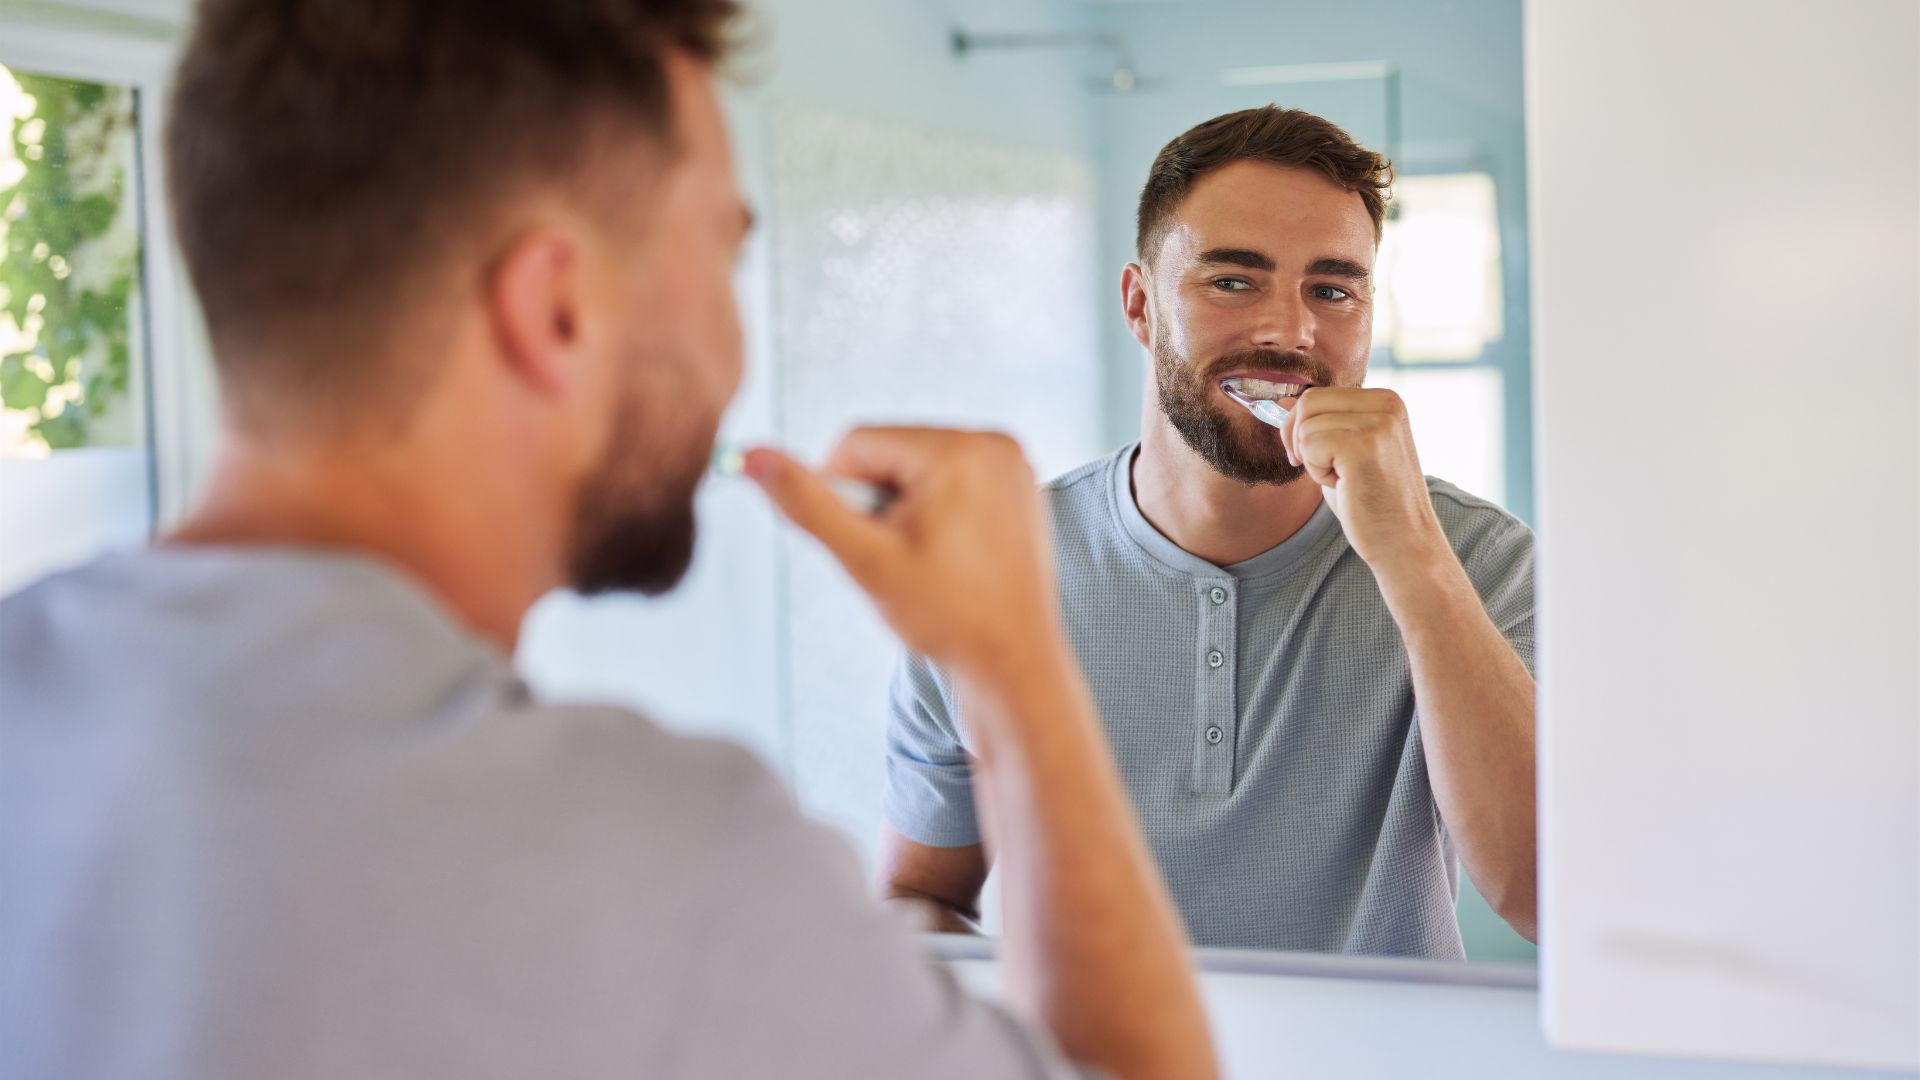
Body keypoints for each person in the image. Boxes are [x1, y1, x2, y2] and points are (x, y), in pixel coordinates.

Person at [0, 3, 1217, 1078]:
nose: (736, 347)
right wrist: (1014, 668)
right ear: (557, 311)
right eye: (723, 254)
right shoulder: (666, 862)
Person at [880, 106, 1537, 959]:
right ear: (1140, 305)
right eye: (1232, 280)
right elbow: (921, 896)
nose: (1289, 332)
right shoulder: (985, 566)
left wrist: (1411, 556)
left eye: (1333, 290)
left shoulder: (1482, 562)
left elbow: (1542, 899)